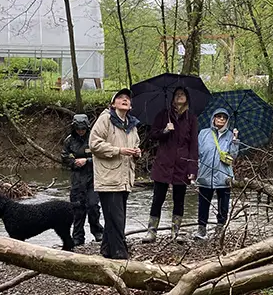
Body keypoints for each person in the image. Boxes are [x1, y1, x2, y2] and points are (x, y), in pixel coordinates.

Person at [90, 88, 141, 260]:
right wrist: (118, 150)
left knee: (115, 218)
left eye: (127, 98)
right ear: (113, 104)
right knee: (117, 219)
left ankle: (106, 250)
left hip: (125, 178)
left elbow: (136, 144)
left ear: (131, 105)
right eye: (120, 98)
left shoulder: (132, 125)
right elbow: (94, 144)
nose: (124, 100)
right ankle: (120, 254)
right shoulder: (105, 119)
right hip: (108, 178)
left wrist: (137, 152)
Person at [143, 87, 198, 243]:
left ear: (187, 98)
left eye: (183, 94)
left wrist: (193, 168)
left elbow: (194, 145)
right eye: (177, 94)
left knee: (179, 199)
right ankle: (151, 231)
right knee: (157, 198)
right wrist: (165, 131)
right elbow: (152, 135)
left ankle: (175, 231)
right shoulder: (163, 115)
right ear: (173, 98)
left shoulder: (191, 118)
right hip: (163, 163)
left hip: (183, 164)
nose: (180, 96)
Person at [195, 108, 239, 240]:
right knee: (203, 204)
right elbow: (197, 153)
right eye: (218, 116)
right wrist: (196, 169)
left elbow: (233, 156)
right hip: (205, 174)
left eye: (224, 117)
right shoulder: (203, 133)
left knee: (223, 205)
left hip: (224, 176)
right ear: (213, 118)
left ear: (227, 121)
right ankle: (201, 230)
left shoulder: (231, 135)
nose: (221, 119)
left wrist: (235, 141)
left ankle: (220, 230)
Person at [61, 113, 104, 246]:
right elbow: (64, 157)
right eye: (78, 129)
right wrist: (74, 162)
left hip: (93, 178)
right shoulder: (69, 140)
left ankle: (98, 232)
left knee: (93, 206)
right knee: (77, 209)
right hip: (77, 179)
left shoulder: (94, 138)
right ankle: (78, 237)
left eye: (83, 129)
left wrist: (87, 161)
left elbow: (102, 156)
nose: (80, 131)